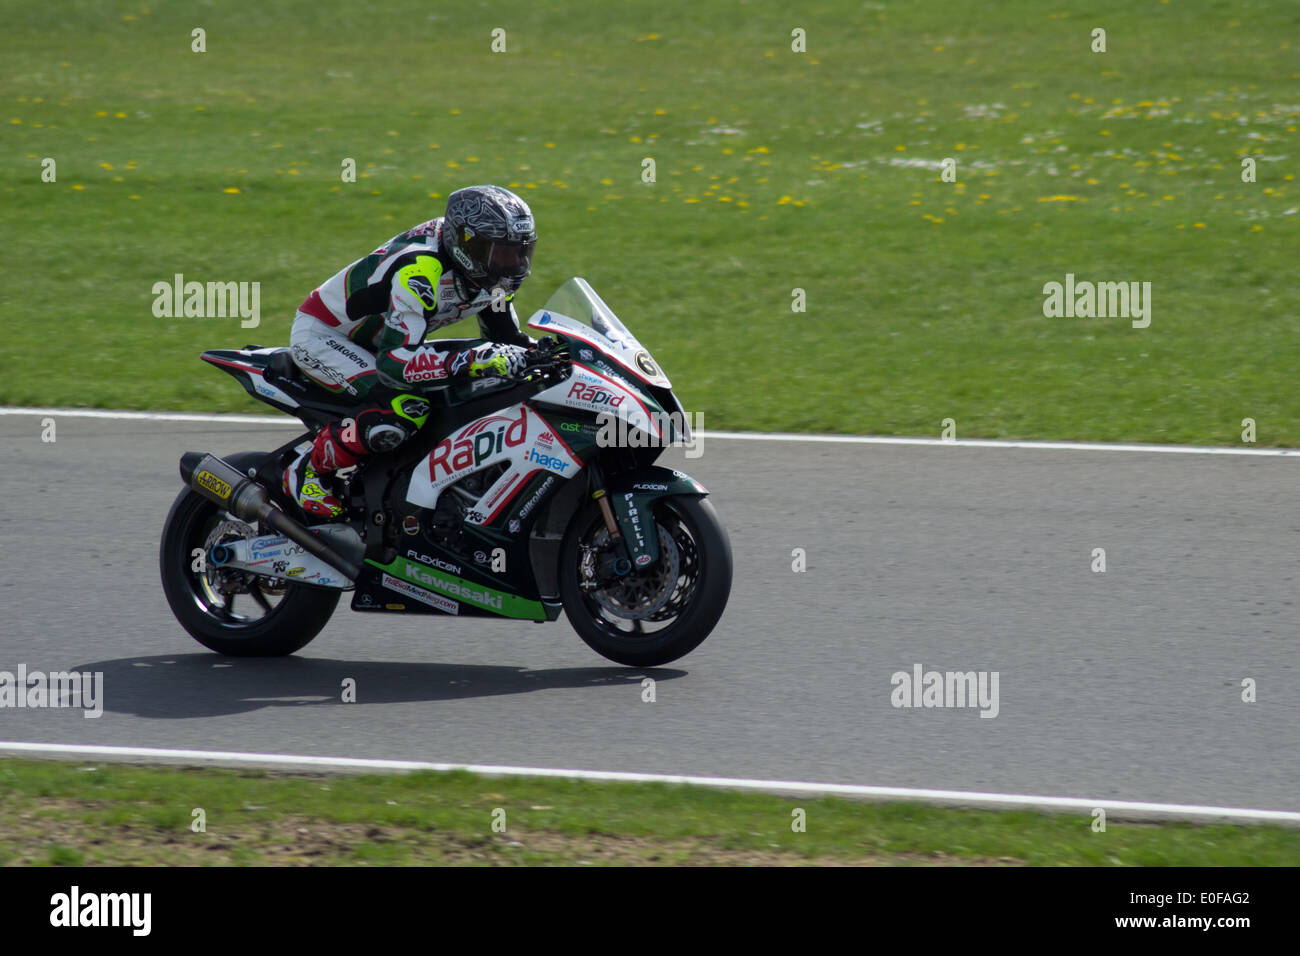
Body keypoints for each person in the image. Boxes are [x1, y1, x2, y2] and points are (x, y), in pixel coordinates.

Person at [282, 184, 538, 519]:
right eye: (502, 253)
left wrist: (549, 352)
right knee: (403, 410)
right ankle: (307, 470)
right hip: (326, 336)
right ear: (467, 244)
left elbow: (506, 336)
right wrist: (473, 360)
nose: (514, 265)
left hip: (387, 340)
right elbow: (394, 364)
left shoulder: (488, 276)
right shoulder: (419, 272)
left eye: (521, 252)